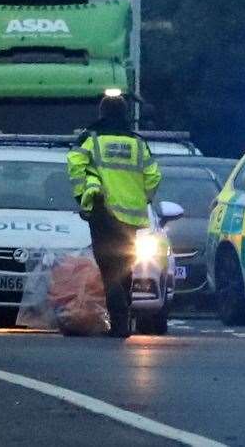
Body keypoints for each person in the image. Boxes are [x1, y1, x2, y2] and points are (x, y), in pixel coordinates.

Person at [66, 96, 161, 338]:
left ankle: (119, 325)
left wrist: (82, 196)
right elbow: (153, 176)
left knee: (109, 270)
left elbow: (75, 164)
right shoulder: (138, 143)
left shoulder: (92, 138)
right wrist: (144, 199)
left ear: (102, 112)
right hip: (131, 216)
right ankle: (124, 318)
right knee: (125, 267)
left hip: (103, 213)